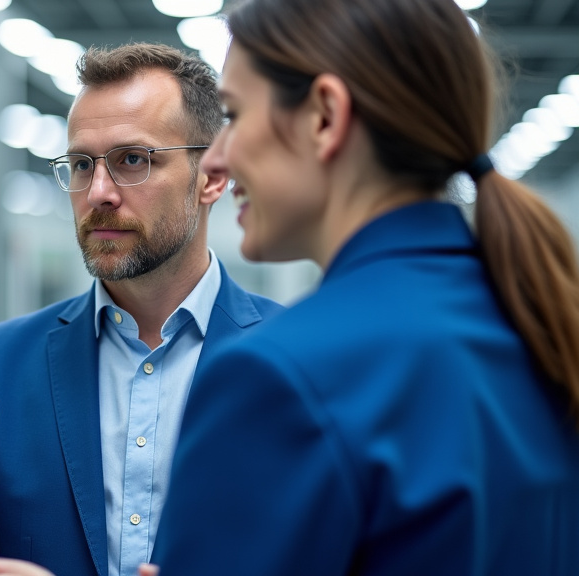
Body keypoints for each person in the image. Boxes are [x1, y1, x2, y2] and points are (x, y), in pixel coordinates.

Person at [146, 0, 579, 574]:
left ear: (325, 116)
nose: (217, 159)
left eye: (234, 114)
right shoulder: (542, 327)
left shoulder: (277, 377)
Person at [0, 42, 285, 576]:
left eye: (132, 160)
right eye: (80, 164)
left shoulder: (300, 357)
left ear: (212, 177)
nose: (98, 191)